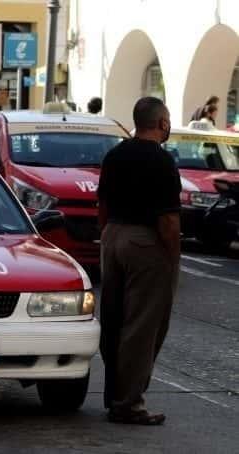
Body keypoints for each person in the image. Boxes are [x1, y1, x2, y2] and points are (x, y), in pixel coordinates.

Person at [97, 96, 181, 426]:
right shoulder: (162, 161)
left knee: (115, 319)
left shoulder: (115, 155)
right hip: (147, 242)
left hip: (113, 236)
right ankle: (129, 403)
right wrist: (172, 258)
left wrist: (108, 236)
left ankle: (114, 395)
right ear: (162, 123)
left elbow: (101, 204)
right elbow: (169, 221)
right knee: (142, 326)